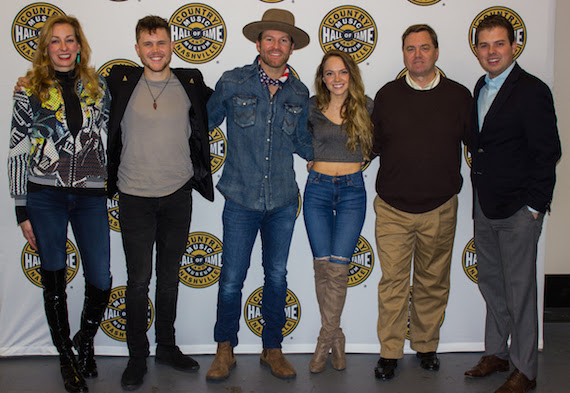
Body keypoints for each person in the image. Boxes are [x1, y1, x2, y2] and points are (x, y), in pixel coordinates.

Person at [105, 15, 214, 390]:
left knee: (168, 281)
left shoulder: (190, 83)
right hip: (134, 196)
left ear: (172, 45)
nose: (155, 50)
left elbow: (231, 102)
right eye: (148, 44)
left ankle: (166, 346)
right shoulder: (119, 84)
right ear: (137, 49)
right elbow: (75, 89)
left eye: (161, 43)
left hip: (177, 196)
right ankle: (137, 356)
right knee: (138, 281)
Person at [205, 8, 312, 381]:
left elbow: (304, 143)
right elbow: (201, 122)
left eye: (284, 40)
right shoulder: (233, 82)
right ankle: (224, 349)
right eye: (270, 38)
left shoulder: (300, 92)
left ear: (292, 48)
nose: (276, 45)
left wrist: (348, 136)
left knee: (277, 276)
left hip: (283, 201)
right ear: (258, 43)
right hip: (239, 198)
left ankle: (273, 348)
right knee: (232, 277)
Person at [8, 15, 111, 393]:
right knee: (53, 278)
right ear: (46, 48)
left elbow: (110, 135)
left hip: (90, 196)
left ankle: (84, 342)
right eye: (56, 41)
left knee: (100, 277)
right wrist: (22, 209)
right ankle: (66, 359)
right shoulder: (28, 89)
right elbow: (18, 150)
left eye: (70, 40)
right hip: (45, 196)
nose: (64, 47)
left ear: (79, 45)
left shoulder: (98, 86)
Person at [464, 15, 561, 393]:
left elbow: (548, 151)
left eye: (499, 44)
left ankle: (525, 370)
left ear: (514, 46)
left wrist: (534, 207)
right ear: (477, 50)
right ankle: (496, 353)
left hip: (520, 210)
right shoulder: (480, 86)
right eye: (484, 45)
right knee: (492, 284)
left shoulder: (532, 90)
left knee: (520, 291)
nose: (491, 51)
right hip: (486, 206)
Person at [370, 24, 472, 380]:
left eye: (424, 48)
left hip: (440, 208)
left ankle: (426, 346)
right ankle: (389, 352)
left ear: (436, 51)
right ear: (403, 54)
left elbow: (479, 145)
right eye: (410, 49)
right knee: (393, 284)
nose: (417, 55)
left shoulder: (459, 96)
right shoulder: (386, 96)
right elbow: (370, 145)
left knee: (432, 282)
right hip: (393, 208)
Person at [303, 50, 373, 373]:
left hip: (352, 192)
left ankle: (324, 341)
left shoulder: (367, 106)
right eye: (329, 74)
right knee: (322, 268)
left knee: (339, 268)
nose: (336, 79)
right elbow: (298, 138)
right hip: (316, 189)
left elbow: (380, 140)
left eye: (342, 72)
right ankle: (337, 337)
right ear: (322, 78)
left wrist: (367, 158)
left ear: (352, 75)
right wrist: (311, 156)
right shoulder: (313, 108)